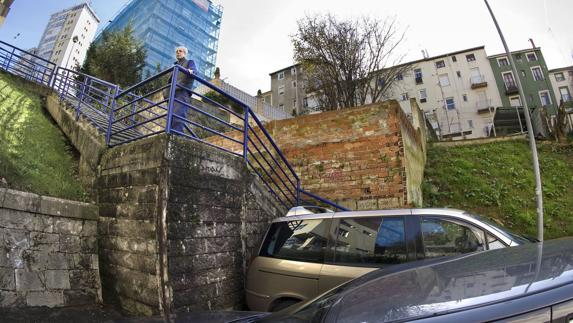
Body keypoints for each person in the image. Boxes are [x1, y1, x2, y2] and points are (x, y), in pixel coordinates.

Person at [166, 46, 197, 133]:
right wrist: (166, 94)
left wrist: (191, 71)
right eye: (177, 51)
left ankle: (175, 138)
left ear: (184, 53)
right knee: (170, 117)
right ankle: (169, 134)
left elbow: (194, 71)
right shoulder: (175, 66)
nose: (178, 53)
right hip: (172, 94)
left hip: (182, 92)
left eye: (180, 51)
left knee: (178, 116)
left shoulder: (189, 62)